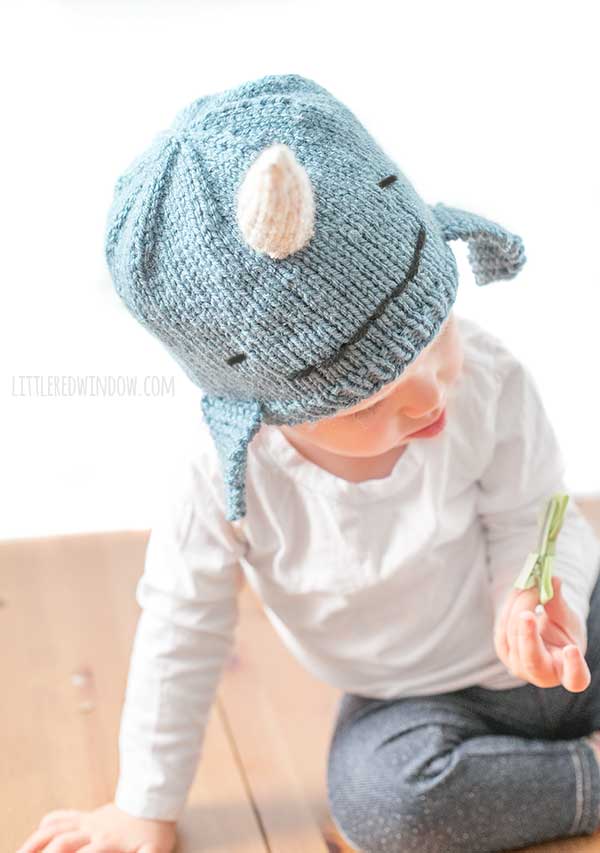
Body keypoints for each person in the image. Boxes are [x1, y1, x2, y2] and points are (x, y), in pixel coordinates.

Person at [17, 73, 600, 853]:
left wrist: (534, 599)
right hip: (418, 702)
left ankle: (550, 755)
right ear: (263, 410)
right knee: (382, 801)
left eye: (436, 337)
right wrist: (143, 807)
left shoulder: (486, 378)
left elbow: (533, 511)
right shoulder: (222, 479)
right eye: (366, 400)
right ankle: (581, 777)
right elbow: (181, 627)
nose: (429, 394)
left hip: (572, 633)